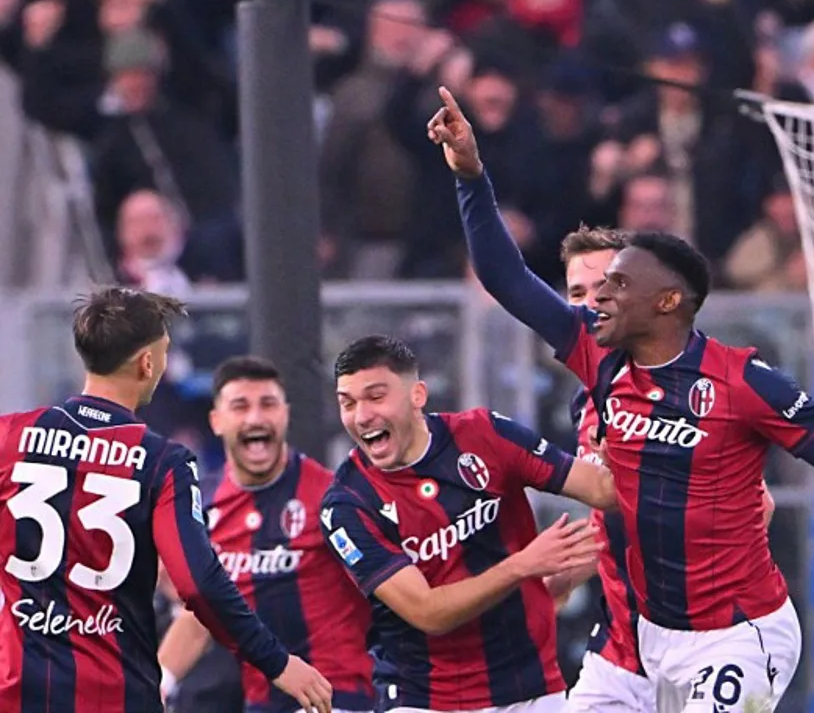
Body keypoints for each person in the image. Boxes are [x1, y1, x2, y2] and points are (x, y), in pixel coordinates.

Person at [429, 86, 814, 712]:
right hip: (637, 642)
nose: (595, 299)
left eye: (616, 285)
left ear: (667, 301)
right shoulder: (596, 357)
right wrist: (470, 176)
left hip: (737, 634)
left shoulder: (744, 383)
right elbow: (506, 277)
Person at [0, 287, 332, 713]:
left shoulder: (11, 437)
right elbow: (198, 583)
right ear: (147, 362)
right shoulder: (161, 462)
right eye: (165, 351)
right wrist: (277, 662)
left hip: (18, 693)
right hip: (115, 696)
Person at [543, 226, 777, 712]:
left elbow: (761, 505)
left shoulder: (698, 387)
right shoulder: (587, 401)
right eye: (577, 294)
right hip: (621, 647)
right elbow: (618, 518)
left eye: (607, 284)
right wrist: (567, 572)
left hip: (706, 639)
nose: (592, 303)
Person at [319, 335, 619, 712]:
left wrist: (620, 453)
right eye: (348, 403)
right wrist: (521, 567)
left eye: (376, 397)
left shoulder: (485, 434)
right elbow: (427, 612)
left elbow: (603, 491)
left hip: (531, 686)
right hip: (425, 699)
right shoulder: (347, 505)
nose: (361, 416)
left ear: (417, 395)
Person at [158, 356, 374, 713]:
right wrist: (158, 683)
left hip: (339, 699)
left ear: (285, 415)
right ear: (217, 421)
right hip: (261, 703)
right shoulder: (207, 511)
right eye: (240, 406)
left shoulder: (334, 498)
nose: (256, 418)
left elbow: (388, 595)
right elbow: (201, 616)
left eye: (268, 404)